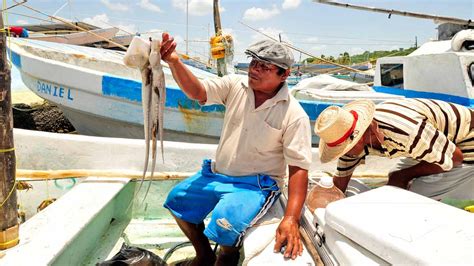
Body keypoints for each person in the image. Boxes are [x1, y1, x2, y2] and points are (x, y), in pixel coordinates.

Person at [160, 32, 312, 265]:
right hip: (217, 173)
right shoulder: (234, 84)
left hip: (256, 185)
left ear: (284, 75)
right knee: (176, 201)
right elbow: (197, 92)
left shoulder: (294, 114)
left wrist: (291, 218)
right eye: (253, 63)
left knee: (225, 221)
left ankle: (227, 256)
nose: (254, 69)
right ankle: (204, 254)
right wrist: (174, 61)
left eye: (264, 67)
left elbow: (299, 169)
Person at [313, 98, 474, 200]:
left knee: (418, 193)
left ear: (360, 136)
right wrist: (331, 200)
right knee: (394, 183)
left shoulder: (407, 131)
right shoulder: (355, 141)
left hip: (464, 141)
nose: (343, 154)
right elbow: (341, 178)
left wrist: (404, 175)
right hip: (428, 142)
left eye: (344, 149)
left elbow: (455, 158)